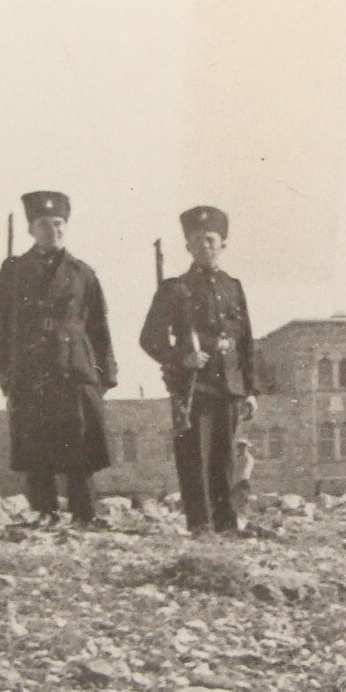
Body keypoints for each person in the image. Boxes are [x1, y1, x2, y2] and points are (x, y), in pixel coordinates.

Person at [0, 190, 117, 529]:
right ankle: (44, 512)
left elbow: (98, 326)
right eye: (43, 224)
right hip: (31, 370)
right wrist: (0, 370)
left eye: (58, 223)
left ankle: (85, 514)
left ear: (66, 227)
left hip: (73, 369)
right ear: (31, 229)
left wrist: (105, 374)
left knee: (80, 445)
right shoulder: (14, 271)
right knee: (36, 445)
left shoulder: (82, 273)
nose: (52, 231)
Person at [140, 205, 257, 535]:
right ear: (187, 246)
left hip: (228, 384)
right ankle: (201, 523)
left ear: (223, 244)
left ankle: (226, 522)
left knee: (224, 457)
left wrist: (250, 390)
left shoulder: (233, 287)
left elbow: (245, 340)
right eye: (197, 240)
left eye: (211, 240)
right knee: (195, 457)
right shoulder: (176, 288)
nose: (205, 246)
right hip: (195, 386)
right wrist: (182, 358)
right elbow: (149, 339)